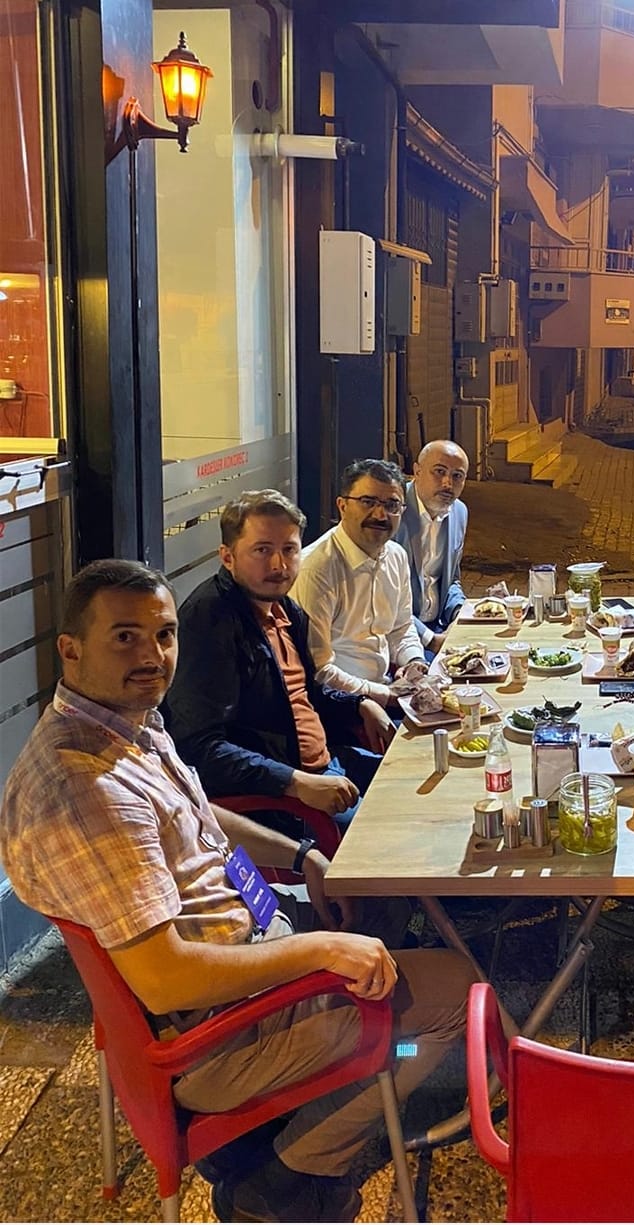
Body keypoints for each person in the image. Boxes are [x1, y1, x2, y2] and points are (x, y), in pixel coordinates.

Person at [0, 559, 476, 1222]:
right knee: (457, 988)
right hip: (217, 1034)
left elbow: (198, 813)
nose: (152, 656)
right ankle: (292, 1175)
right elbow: (166, 981)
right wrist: (324, 951)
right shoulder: (88, 789)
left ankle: (280, 1119)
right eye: (125, 637)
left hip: (248, 935)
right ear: (70, 648)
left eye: (164, 635)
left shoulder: (122, 721)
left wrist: (303, 855)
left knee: (381, 895)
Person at [165, 489, 389, 826]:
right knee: (394, 828)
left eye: (289, 550)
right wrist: (294, 782)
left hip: (327, 762)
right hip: (281, 797)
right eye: (262, 550)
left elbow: (305, 694)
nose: (279, 565)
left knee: (417, 780)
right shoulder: (209, 621)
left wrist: (359, 704)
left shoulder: (285, 608)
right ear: (227, 557)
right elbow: (199, 748)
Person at [292, 459, 427, 701]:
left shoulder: (396, 556)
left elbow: (401, 627)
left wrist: (413, 661)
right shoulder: (315, 569)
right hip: (339, 703)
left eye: (392, 505)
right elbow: (319, 670)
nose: (380, 514)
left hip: (387, 685)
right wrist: (385, 695)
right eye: (368, 502)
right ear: (342, 506)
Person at [393, 440, 469, 658]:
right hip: (398, 635)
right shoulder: (393, 511)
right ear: (417, 472)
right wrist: (430, 639)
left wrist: (459, 611)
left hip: (439, 625)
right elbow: (383, 597)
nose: (447, 483)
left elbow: (451, 579)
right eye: (439, 471)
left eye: (457, 476)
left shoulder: (459, 512)